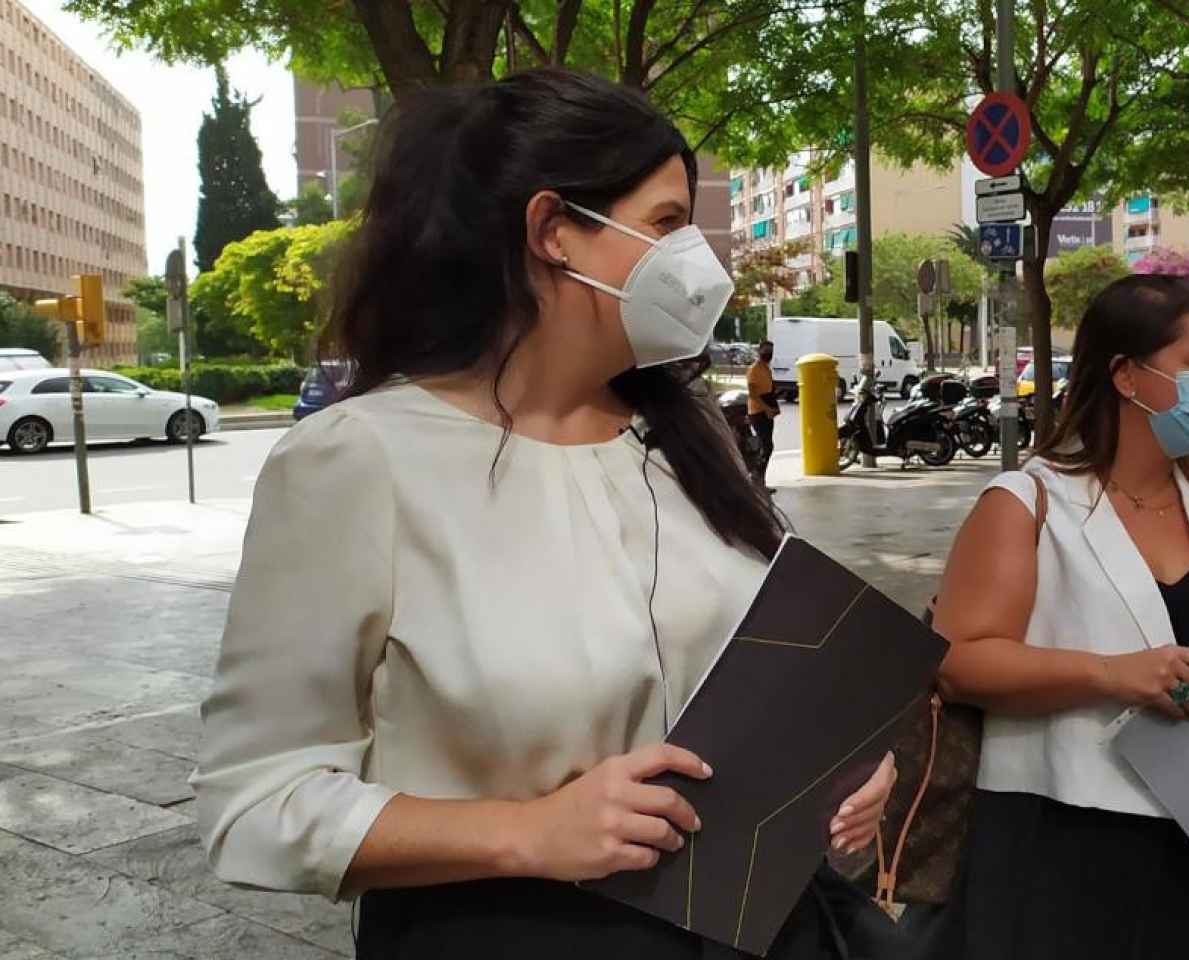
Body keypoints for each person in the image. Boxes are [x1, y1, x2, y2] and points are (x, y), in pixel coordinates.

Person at [189, 69, 894, 959]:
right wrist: (527, 832)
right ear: (555, 231)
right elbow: (254, 800)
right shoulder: (357, 461)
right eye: (668, 223)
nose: (698, 257)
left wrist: (848, 767)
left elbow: (777, 669)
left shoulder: (688, 438)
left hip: (765, 923)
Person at [929, 275, 1189, 960]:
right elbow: (956, 661)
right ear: (1127, 375)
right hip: (1061, 839)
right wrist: (1113, 675)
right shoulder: (1027, 503)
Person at [746, 340, 780, 488]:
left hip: (767, 412)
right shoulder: (754, 369)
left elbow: (769, 390)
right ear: (759, 351)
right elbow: (753, 394)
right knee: (766, 445)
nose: (768, 353)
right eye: (766, 350)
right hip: (757, 412)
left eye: (771, 350)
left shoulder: (767, 369)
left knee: (767, 446)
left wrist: (774, 406)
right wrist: (766, 408)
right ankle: (756, 477)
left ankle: (760, 480)